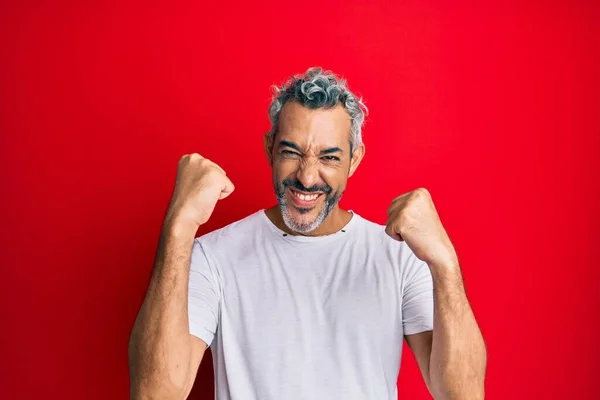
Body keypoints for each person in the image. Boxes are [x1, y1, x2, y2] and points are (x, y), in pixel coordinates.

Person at [127, 67, 487, 400]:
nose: (308, 176)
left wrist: (444, 263)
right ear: (270, 147)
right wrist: (179, 227)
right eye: (291, 151)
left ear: (355, 159)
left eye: (329, 157)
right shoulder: (213, 256)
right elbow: (156, 394)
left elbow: (462, 394)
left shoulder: (398, 256)